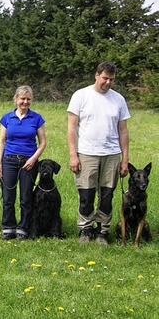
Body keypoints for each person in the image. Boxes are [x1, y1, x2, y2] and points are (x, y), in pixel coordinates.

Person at [67, 61, 130, 245]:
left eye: (111, 79)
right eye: (105, 78)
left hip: (111, 155)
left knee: (107, 196)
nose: (108, 82)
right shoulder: (81, 96)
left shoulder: (118, 99)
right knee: (86, 195)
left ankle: (102, 231)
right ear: (96, 75)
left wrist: (125, 160)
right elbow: (71, 128)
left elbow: (123, 131)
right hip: (86, 153)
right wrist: (73, 154)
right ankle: (85, 229)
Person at [0, 86, 46, 240]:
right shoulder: (6, 118)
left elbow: (43, 143)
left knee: (26, 198)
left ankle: (23, 228)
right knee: (8, 197)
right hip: (9, 160)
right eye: (22, 99)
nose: (25, 102)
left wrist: (33, 159)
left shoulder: (37, 118)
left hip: (28, 162)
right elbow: (2, 141)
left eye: (28, 99)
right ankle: (8, 227)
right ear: (16, 99)